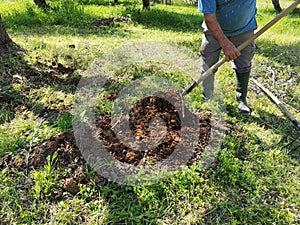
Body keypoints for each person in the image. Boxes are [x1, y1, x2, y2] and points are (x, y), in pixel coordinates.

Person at [198, 0, 257, 115]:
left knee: (243, 63)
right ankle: (207, 98)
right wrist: (225, 43)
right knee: (208, 63)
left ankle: (241, 99)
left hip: (245, 29)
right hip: (213, 29)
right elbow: (209, 18)